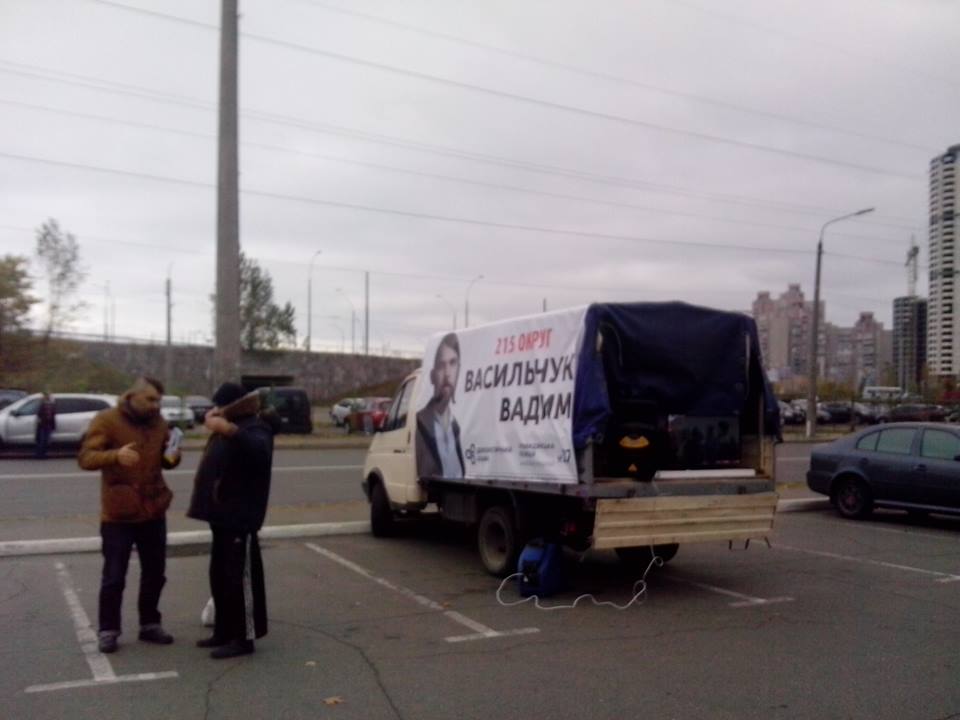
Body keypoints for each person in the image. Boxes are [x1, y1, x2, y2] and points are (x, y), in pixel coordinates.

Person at [77, 377, 180, 654]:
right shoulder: (107, 420)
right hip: (119, 513)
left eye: (158, 400)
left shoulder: (159, 423)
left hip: (153, 509)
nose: (155, 405)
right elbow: (86, 458)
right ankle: (109, 630)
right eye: (150, 399)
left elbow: (167, 461)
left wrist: (173, 453)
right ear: (132, 396)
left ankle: (150, 624)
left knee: (155, 573)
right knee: (114, 576)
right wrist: (114, 456)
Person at [187, 382, 276, 659]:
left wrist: (228, 430)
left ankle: (244, 637)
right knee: (220, 575)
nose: (216, 410)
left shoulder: (255, 427)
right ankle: (224, 630)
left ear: (233, 405)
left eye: (220, 405)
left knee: (241, 578)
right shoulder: (230, 426)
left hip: (241, 517)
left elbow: (259, 452)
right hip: (221, 516)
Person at [416, 332, 465, 479]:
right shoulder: (420, 423)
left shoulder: (457, 426)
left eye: (452, 363)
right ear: (432, 376)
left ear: (459, 371)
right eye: (441, 366)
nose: (447, 373)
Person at [34, 393, 56, 459]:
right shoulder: (44, 405)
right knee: (43, 441)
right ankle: (40, 454)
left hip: (46, 425)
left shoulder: (49, 406)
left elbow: (52, 416)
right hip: (44, 425)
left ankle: (42, 454)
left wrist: (53, 425)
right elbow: (39, 415)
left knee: (44, 441)